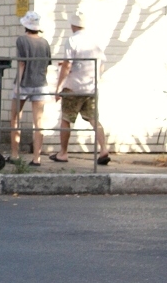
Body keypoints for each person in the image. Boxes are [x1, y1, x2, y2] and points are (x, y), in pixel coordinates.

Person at [52, 10, 110, 165]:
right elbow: (101, 64)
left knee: (66, 119)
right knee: (94, 119)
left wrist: (59, 87)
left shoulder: (72, 40)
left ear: (72, 24)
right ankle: (103, 149)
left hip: (73, 87)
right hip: (90, 87)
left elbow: (67, 65)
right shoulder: (94, 41)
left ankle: (63, 153)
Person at [12, 10, 52, 166]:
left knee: (15, 118)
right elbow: (46, 65)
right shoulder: (45, 43)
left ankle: (15, 155)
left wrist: (18, 85)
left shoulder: (21, 41)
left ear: (26, 26)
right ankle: (37, 158)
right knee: (38, 122)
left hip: (24, 83)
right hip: (41, 84)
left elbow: (22, 63)